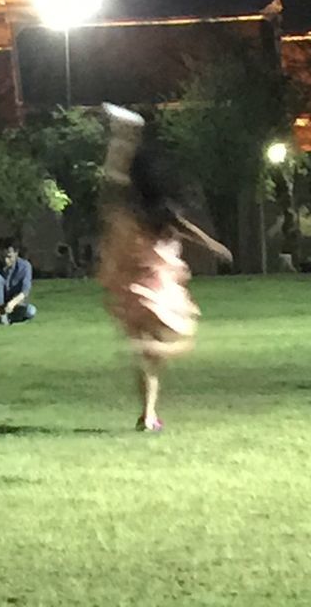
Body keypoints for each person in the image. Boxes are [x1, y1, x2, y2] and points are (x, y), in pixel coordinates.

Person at [97, 103, 232, 432]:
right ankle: (148, 396)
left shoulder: (132, 209)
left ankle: (148, 414)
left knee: (110, 191)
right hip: (154, 282)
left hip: (129, 277)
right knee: (176, 341)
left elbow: (112, 198)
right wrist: (214, 246)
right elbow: (183, 226)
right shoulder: (161, 211)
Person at [0, 238, 37, 322]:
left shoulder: (25, 266)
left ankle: (8, 317)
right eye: (3, 257)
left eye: (9, 257)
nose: (6, 261)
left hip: (14, 304)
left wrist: (12, 304)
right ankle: (0, 316)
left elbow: (25, 291)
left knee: (31, 311)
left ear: (16, 253)